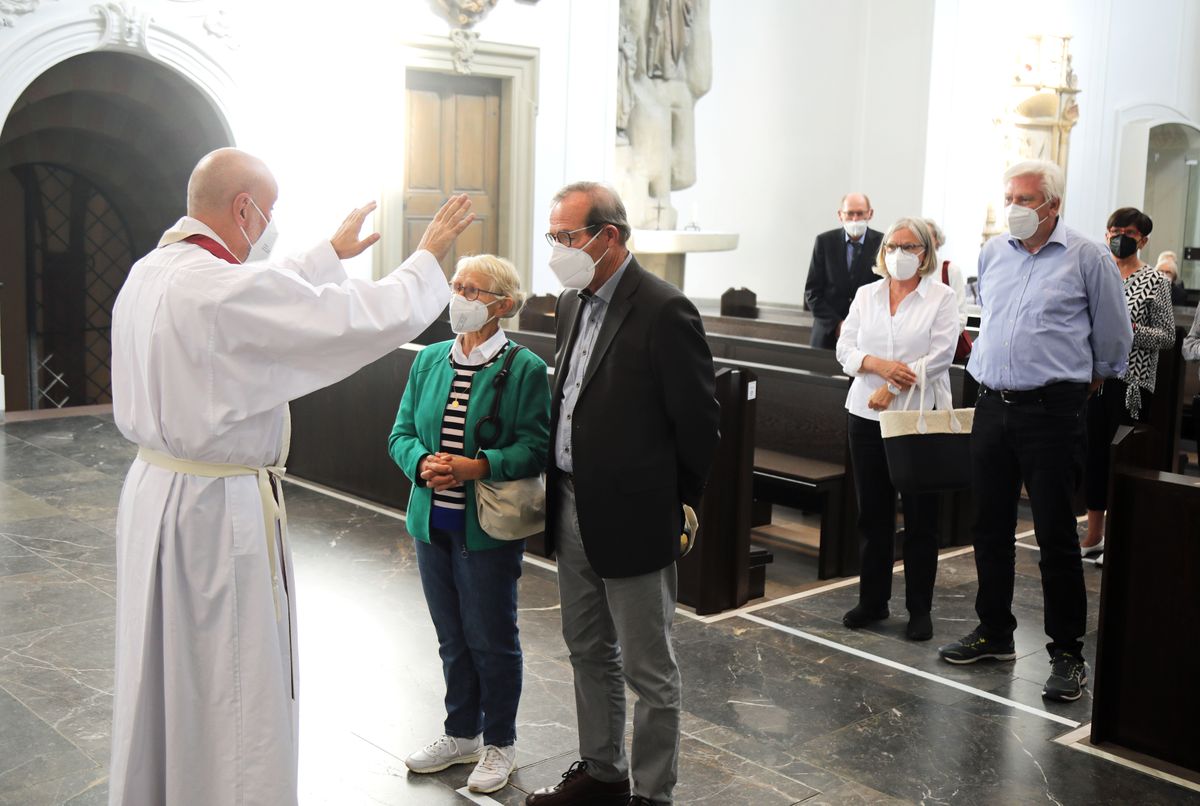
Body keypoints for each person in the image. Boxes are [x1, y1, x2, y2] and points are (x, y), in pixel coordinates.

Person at [108, 147, 474, 806]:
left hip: (153, 497)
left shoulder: (150, 272)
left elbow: (263, 296)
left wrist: (325, 255)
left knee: (162, 671)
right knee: (232, 680)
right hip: (214, 510)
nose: (269, 227)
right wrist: (425, 261)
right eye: (267, 212)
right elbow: (339, 318)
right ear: (243, 208)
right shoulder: (223, 291)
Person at [526, 182, 720, 806]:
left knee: (649, 669)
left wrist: (675, 504)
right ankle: (602, 773)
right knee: (587, 649)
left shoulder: (663, 309)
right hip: (571, 503)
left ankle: (654, 794)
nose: (557, 249)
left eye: (567, 237)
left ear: (608, 236)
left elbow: (699, 424)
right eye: (552, 236)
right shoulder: (568, 302)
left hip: (634, 513)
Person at [937, 160, 1132, 704]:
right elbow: (991, 320)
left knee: (1054, 536)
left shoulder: (1087, 257)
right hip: (993, 405)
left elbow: (1115, 339)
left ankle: (1068, 652)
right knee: (990, 527)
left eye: (1025, 199)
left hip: (1052, 409)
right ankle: (994, 631)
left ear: (1053, 206)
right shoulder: (994, 253)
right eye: (1009, 198)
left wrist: (1085, 382)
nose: (1015, 208)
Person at [388, 254, 550, 794]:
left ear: (501, 305)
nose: (458, 295)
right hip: (432, 521)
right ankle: (461, 733)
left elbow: (536, 447)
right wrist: (422, 463)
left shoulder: (523, 367)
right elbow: (402, 431)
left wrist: (477, 467)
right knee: (451, 636)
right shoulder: (431, 359)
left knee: (492, 637)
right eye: (456, 285)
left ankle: (499, 741)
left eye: (471, 289)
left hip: (487, 527)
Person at [836, 218, 958, 641]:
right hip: (864, 415)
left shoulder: (941, 297)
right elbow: (845, 346)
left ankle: (919, 608)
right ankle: (873, 600)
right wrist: (875, 365)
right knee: (873, 513)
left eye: (910, 247)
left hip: (917, 417)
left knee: (921, 516)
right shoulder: (866, 294)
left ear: (925, 253)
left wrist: (891, 386)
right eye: (893, 246)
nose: (899, 253)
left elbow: (941, 354)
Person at [1080, 209, 1176, 558]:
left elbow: (1167, 337)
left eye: (1130, 232)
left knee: (1120, 459)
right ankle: (1093, 534)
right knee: (1092, 457)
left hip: (1131, 383)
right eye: (1116, 230)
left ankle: (1119, 539)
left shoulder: (1155, 282)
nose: (1122, 236)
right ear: (1106, 234)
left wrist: (1130, 332)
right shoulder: (1096, 273)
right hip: (1093, 380)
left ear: (1143, 240)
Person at [804, 193, 884, 349]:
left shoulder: (883, 243)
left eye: (860, 213)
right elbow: (812, 292)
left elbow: (885, 291)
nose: (855, 219)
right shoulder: (824, 242)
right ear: (840, 215)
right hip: (827, 334)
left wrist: (859, 325)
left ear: (870, 213)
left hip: (867, 335)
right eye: (850, 213)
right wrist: (837, 324)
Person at [924, 218, 970, 328]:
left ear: (937, 240)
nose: (922, 241)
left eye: (927, 236)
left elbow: (961, 316)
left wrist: (940, 339)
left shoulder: (950, 271)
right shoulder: (909, 272)